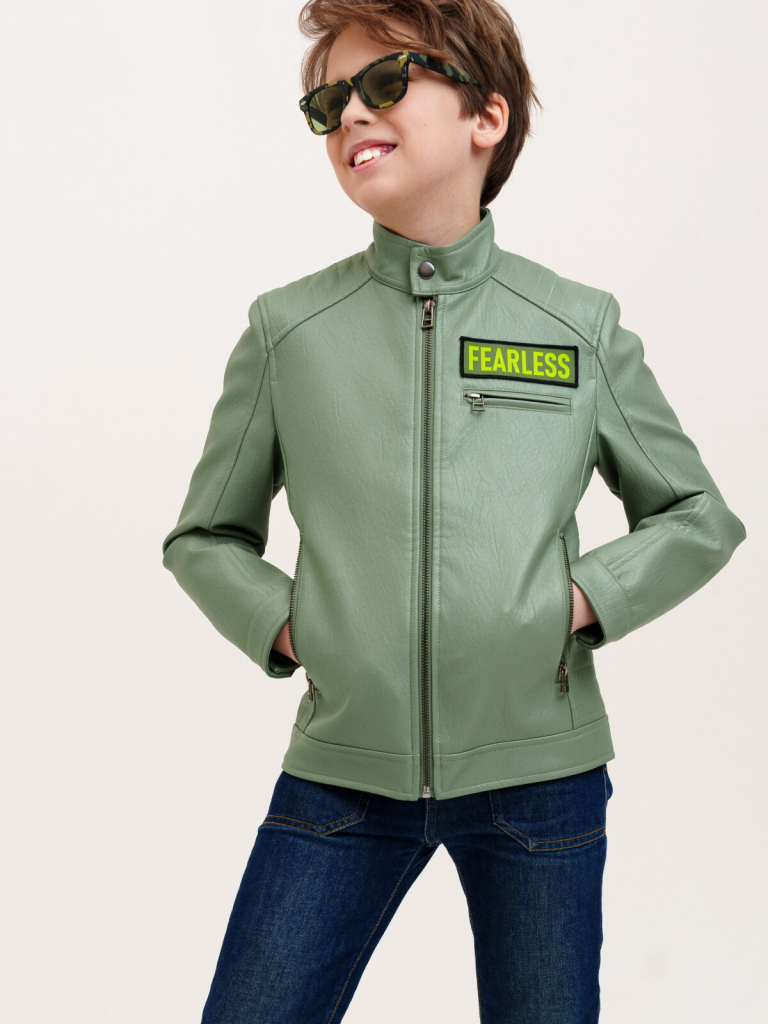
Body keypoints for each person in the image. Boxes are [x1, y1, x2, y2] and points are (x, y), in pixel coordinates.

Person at [160, 2, 747, 1020]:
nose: (351, 112)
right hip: (343, 773)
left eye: (385, 81)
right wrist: (300, 627)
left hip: (542, 778)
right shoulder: (290, 332)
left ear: (487, 115)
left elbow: (697, 514)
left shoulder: (576, 328)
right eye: (327, 102)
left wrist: (570, 604)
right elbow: (204, 536)